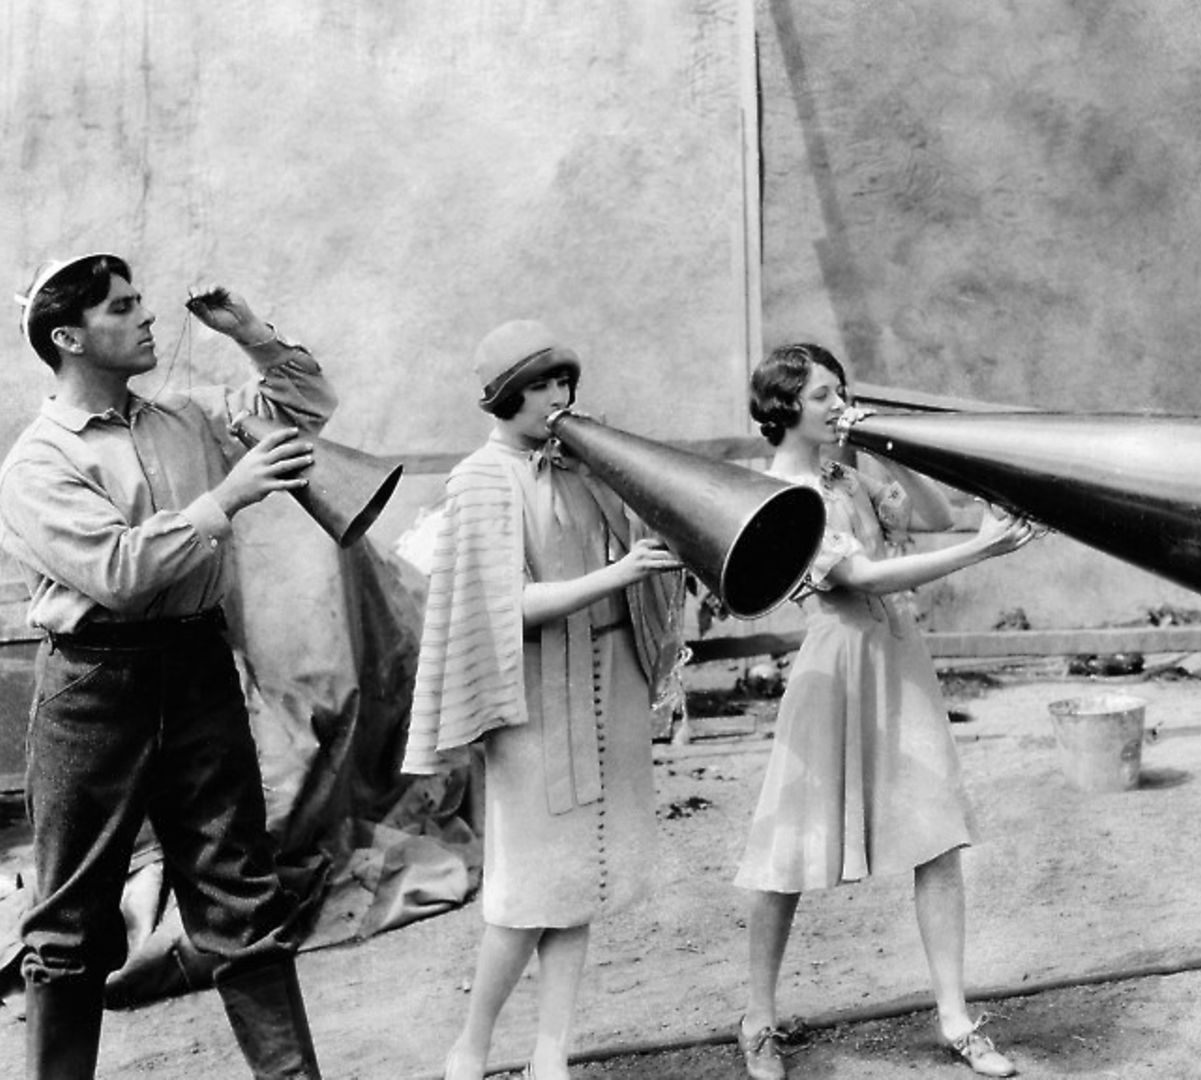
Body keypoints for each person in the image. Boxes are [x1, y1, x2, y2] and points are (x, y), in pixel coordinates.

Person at [1, 253, 333, 1078]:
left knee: (242, 900)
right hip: (91, 689)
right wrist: (229, 498)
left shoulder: (184, 416)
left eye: (142, 301)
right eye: (124, 307)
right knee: (70, 923)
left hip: (195, 671)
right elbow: (120, 571)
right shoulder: (36, 463)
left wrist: (250, 333)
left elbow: (304, 407)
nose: (148, 316)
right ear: (69, 337)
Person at [733, 343, 1036, 1080]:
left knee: (937, 842)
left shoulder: (846, 475)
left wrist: (887, 444)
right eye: (823, 398)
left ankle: (956, 1018)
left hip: (898, 660)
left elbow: (929, 513)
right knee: (789, 859)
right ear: (784, 410)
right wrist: (980, 551)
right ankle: (759, 1019)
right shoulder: (779, 497)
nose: (838, 407)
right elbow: (860, 575)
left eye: (843, 393)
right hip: (836, 669)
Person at [402, 319, 687, 1080]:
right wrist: (621, 575)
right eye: (541, 385)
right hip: (531, 699)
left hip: (608, 682)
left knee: (581, 879)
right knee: (526, 889)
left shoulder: (580, 467)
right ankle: (469, 1048)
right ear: (505, 396)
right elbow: (504, 607)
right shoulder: (479, 479)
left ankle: (551, 1053)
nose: (559, 398)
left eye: (565, 382)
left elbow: (644, 553)